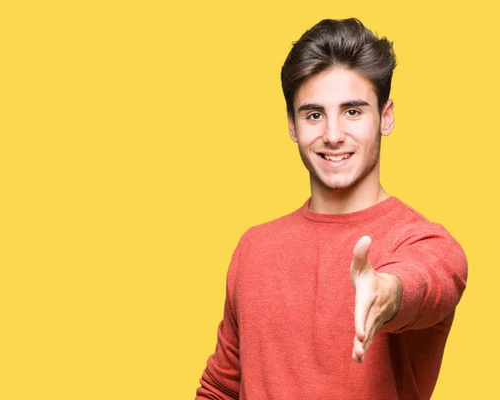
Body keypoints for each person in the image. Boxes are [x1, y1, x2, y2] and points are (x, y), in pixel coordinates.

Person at [196, 18, 468, 400]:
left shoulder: (425, 243)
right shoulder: (253, 248)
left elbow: (428, 283)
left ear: (385, 116)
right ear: (292, 125)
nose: (334, 134)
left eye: (353, 112)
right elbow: (220, 389)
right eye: (314, 114)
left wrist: (386, 293)